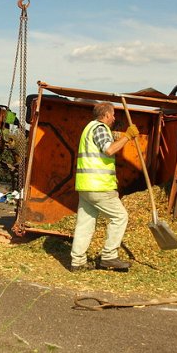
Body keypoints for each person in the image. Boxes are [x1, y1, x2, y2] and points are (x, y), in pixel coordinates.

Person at [69, 102, 139, 272]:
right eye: (113, 114)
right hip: (99, 186)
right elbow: (109, 150)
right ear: (106, 115)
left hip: (86, 186)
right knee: (120, 216)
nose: (114, 118)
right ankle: (109, 257)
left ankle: (77, 262)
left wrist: (120, 134)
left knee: (85, 223)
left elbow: (104, 145)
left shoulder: (90, 128)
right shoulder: (100, 128)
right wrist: (128, 137)